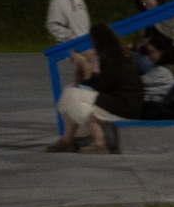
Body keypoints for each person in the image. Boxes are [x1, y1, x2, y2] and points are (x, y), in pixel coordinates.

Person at [46, 23, 143, 154]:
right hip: (125, 104)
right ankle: (70, 141)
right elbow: (97, 85)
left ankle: (96, 142)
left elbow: (98, 86)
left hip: (124, 107)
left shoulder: (113, 60)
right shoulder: (119, 55)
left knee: (73, 95)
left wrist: (84, 66)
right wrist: (82, 69)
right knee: (73, 93)